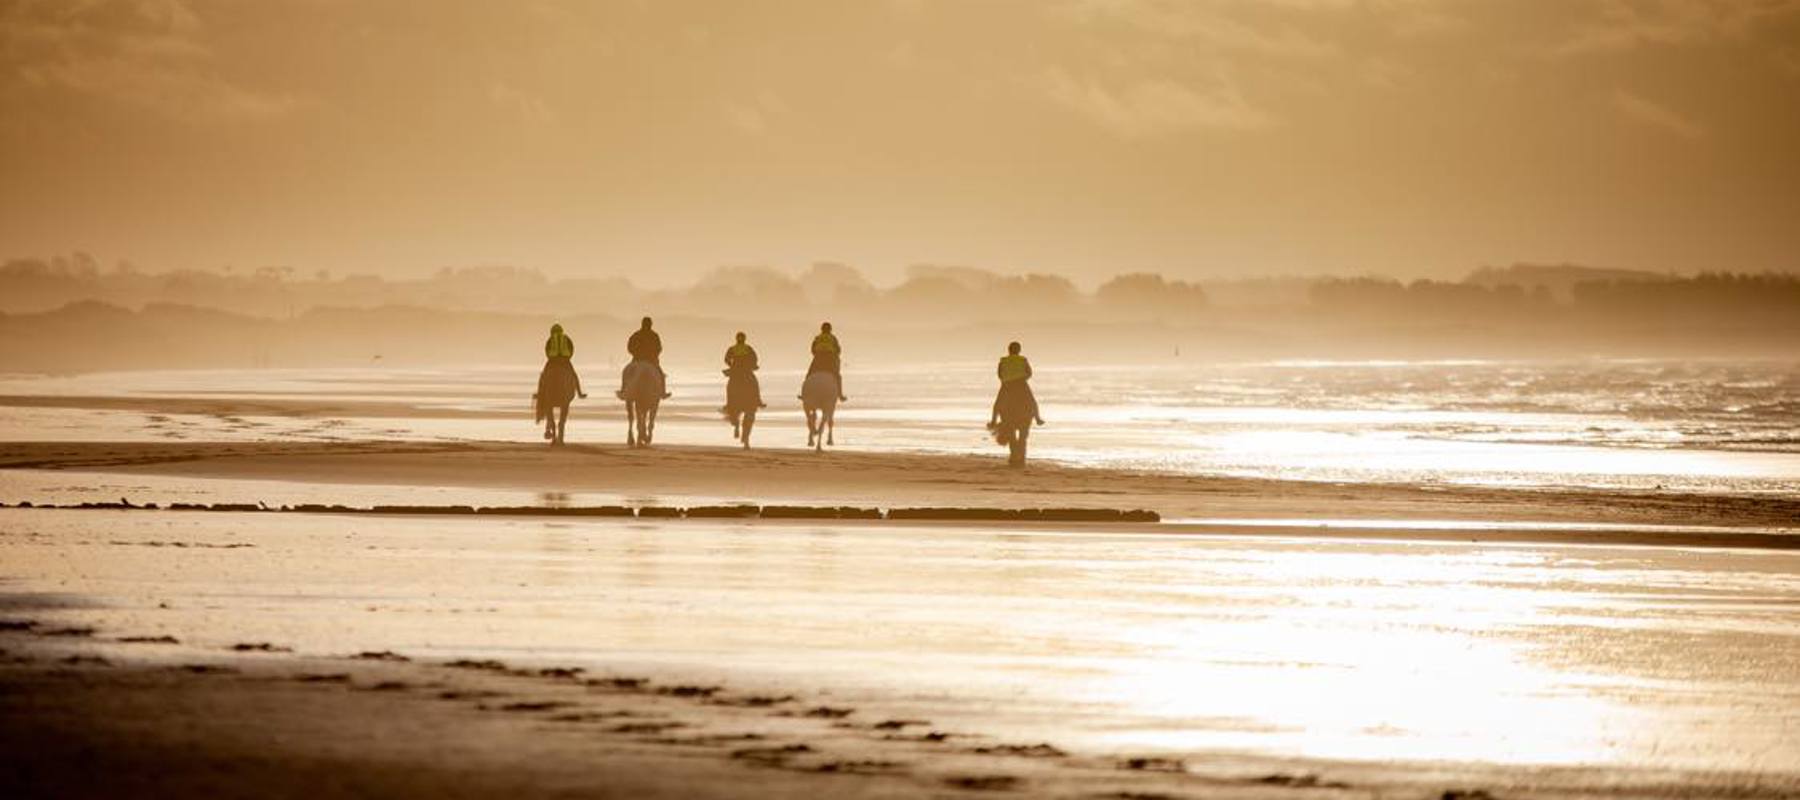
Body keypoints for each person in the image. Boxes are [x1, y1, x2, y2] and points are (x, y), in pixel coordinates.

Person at [989, 341, 1044, 428]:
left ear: (1009, 350)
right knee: (1032, 401)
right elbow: (1029, 373)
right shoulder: (1023, 360)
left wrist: (1005, 381)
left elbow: (999, 374)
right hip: (1021, 384)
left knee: (998, 404)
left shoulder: (1003, 361)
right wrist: (1023, 379)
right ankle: (1038, 419)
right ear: (1019, 350)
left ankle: (993, 421)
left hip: (1007, 385)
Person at [620, 316, 672, 399]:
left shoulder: (636, 335)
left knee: (626, 372)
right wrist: (653, 354)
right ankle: (663, 393)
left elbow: (630, 347)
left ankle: (623, 390)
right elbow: (659, 348)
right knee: (661, 375)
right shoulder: (654, 335)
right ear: (650, 324)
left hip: (637, 360)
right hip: (651, 360)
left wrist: (636, 354)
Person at [801, 321, 848, 402]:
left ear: (821, 329)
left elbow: (812, 349)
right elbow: (838, 350)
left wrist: (817, 354)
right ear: (830, 330)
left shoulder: (818, 338)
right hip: (830, 358)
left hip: (818, 358)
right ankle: (840, 395)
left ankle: (804, 395)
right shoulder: (833, 338)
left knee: (809, 374)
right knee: (837, 376)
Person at [722, 331, 766, 407]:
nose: (740, 339)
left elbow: (726, 359)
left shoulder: (737, 348)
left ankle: (729, 403)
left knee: (731, 385)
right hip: (743, 368)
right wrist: (753, 364)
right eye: (740, 337)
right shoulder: (746, 348)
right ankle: (757, 401)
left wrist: (731, 365)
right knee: (754, 382)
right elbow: (754, 357)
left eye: (741, 337)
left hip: (739, 368)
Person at [544, 323, 586, 399]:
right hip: (565, 361)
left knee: (544, 375)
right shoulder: (566, 338)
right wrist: (568, 358)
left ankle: (541, 392)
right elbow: (571, 349)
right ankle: (579, 393)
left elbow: (547, 351)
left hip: (552, 361)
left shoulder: (550, 339)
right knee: (573, 375)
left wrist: (550, 358)